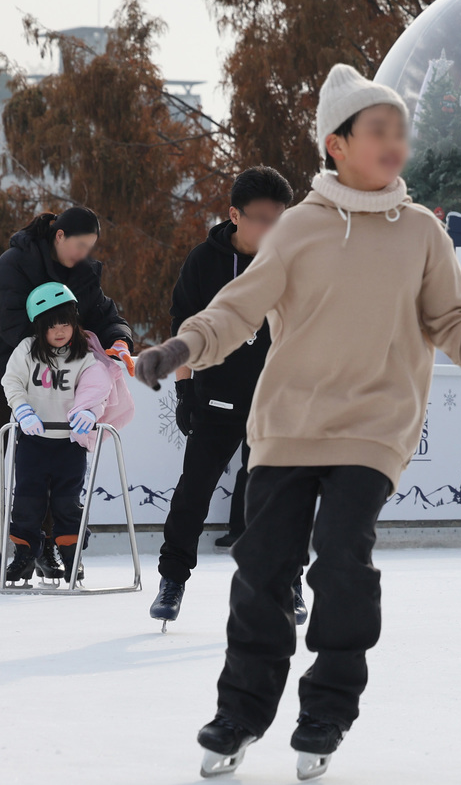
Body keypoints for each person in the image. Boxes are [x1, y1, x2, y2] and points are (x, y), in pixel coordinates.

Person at [132, 64, 461, 780]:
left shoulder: (421, 233)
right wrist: (180, 348)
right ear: (337, 143)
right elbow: (237, 308)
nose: (394, 143)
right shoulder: (297, 230)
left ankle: (327, 704)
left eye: (400, 132)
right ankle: (243, 710)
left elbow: (452, 317)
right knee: (263, 568)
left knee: (341, 556)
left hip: (374, 427)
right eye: (377, 130)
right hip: (288, 424)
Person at [0, 207, 133, 587]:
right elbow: (9, 323)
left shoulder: (81, 272)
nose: (83, 253)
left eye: (90, 247)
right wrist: (59, 350)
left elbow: (103, 312)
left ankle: (45, 550)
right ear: (59, 236)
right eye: (79, 244)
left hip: (51, 381)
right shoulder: (16, 262)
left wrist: (119, 339)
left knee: (52, 458)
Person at [150, 166, 295, 631]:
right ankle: (172, 581)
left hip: (275, 404)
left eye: (281, 218)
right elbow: (186, 331)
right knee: (193, 493)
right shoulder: (204, 262)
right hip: (216, 401)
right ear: (235, 215)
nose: (273, 229)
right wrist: (184, 389)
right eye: (263, 218)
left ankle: (288, 581)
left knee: (278, 499)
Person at [0, 284, 123, 584]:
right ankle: (24, 557)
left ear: (74, 322)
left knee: (68, 504)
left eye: (65, 323)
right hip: (33, 442)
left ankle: (72, 558)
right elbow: (11, 382)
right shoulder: (26, 350)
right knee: (27, 502)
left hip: (69, 444)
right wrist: (22, 410)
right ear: (39, 327)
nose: (59, 331)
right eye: (51, 325)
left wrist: (90, 412)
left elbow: (98, 389)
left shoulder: (84, 355)